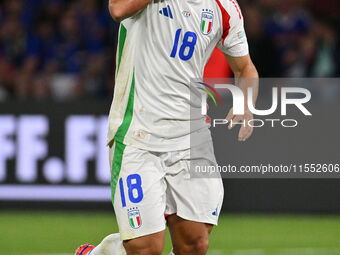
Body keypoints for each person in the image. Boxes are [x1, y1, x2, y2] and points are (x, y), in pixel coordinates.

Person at [76, 0, 258, 254]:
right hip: (138, 134)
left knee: (194, 244)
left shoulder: (224, 8)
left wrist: (246, 103)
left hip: (191, 138)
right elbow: (117, 8)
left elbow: (245, 67)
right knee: (145, 248)